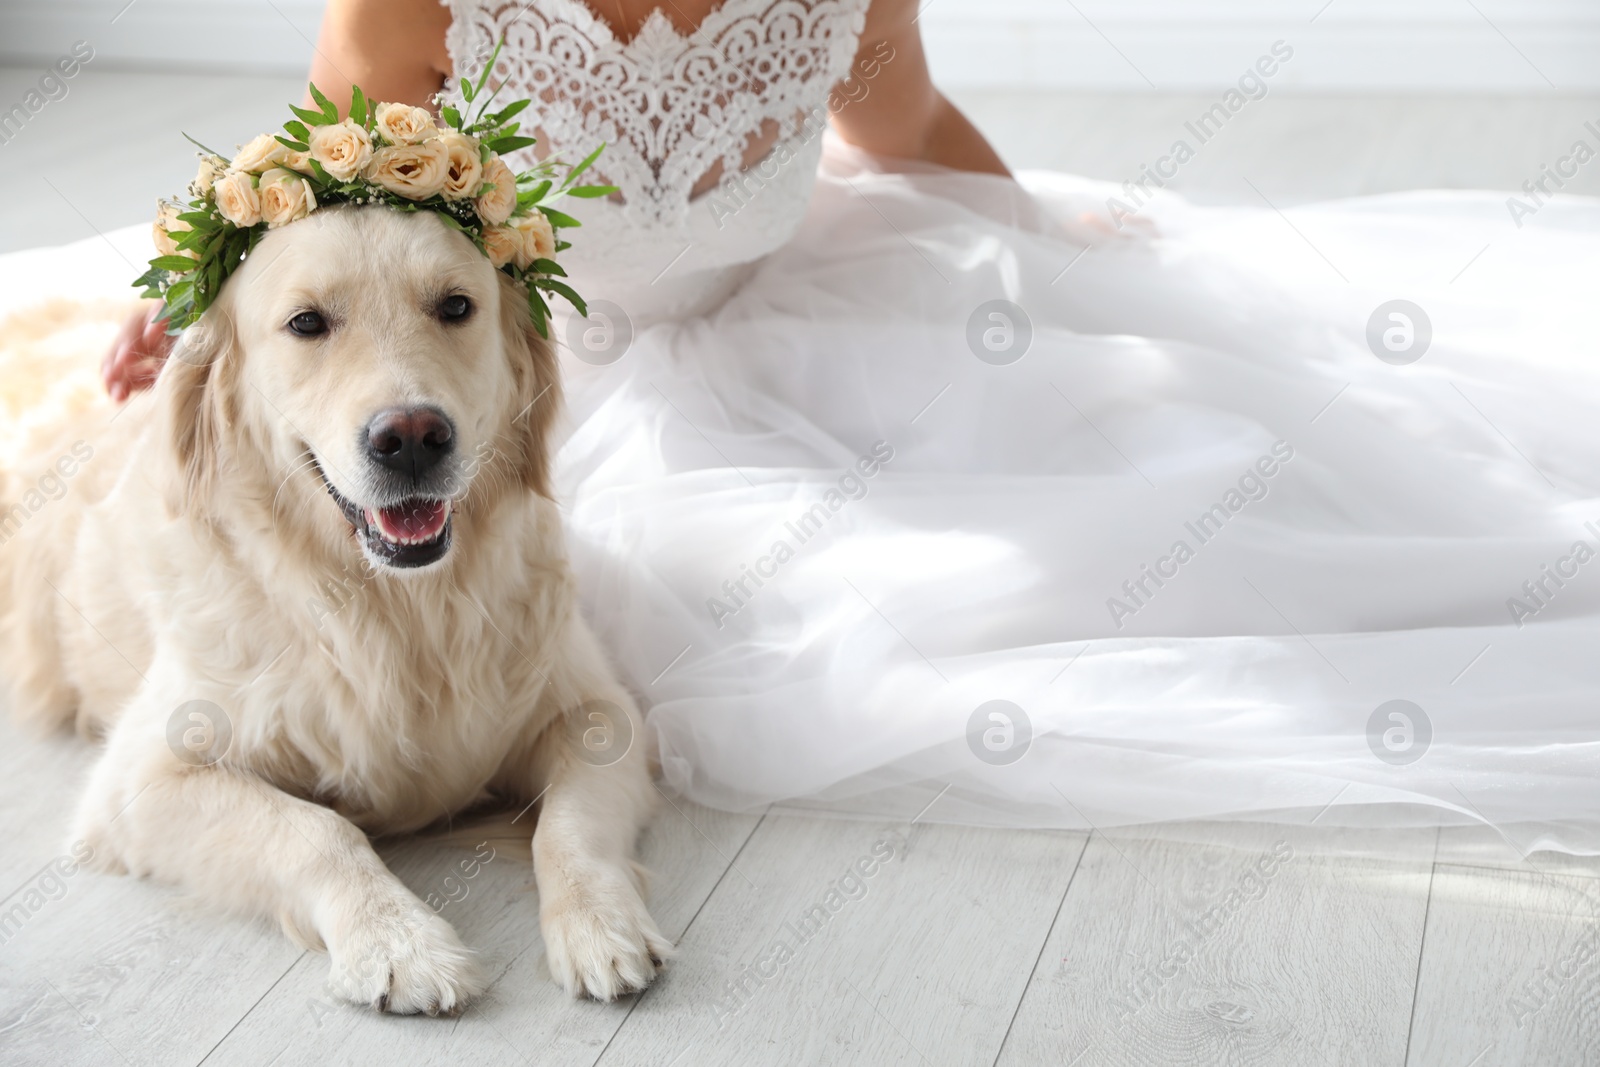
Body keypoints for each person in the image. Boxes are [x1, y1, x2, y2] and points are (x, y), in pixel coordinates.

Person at [86, 0, 1600, 847]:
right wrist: (199, 285)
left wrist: (1047, 244)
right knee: (789, 607)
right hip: (573, 367)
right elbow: (321, 186)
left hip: (803, 305)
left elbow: (910, 136)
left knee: (1151, 469)